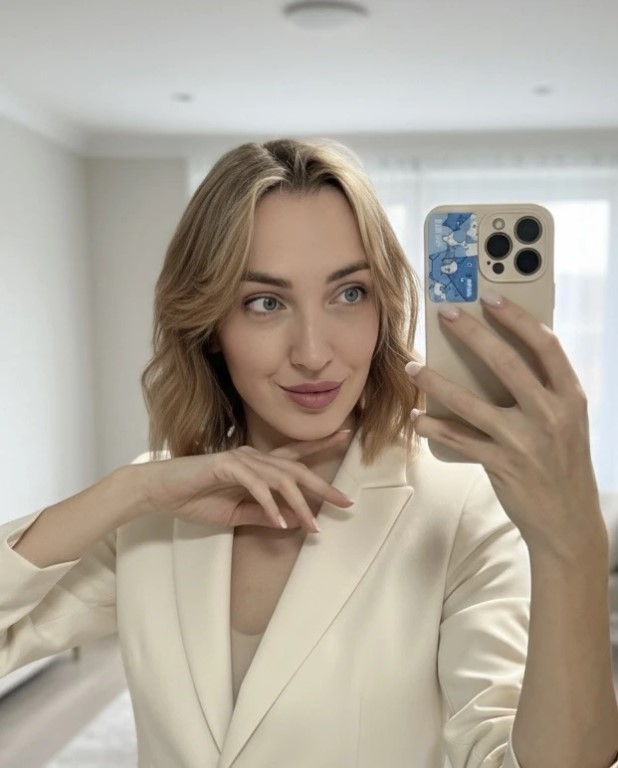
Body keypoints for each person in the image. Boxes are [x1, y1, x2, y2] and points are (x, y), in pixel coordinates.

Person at [1, 138, 617, 768]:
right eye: (265, 302)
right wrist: (132, 488)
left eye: (349, 293)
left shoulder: (461, 509)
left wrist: (574, 546)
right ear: (209, 326)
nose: (314, 353)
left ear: (384, 307)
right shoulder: (155, 508)